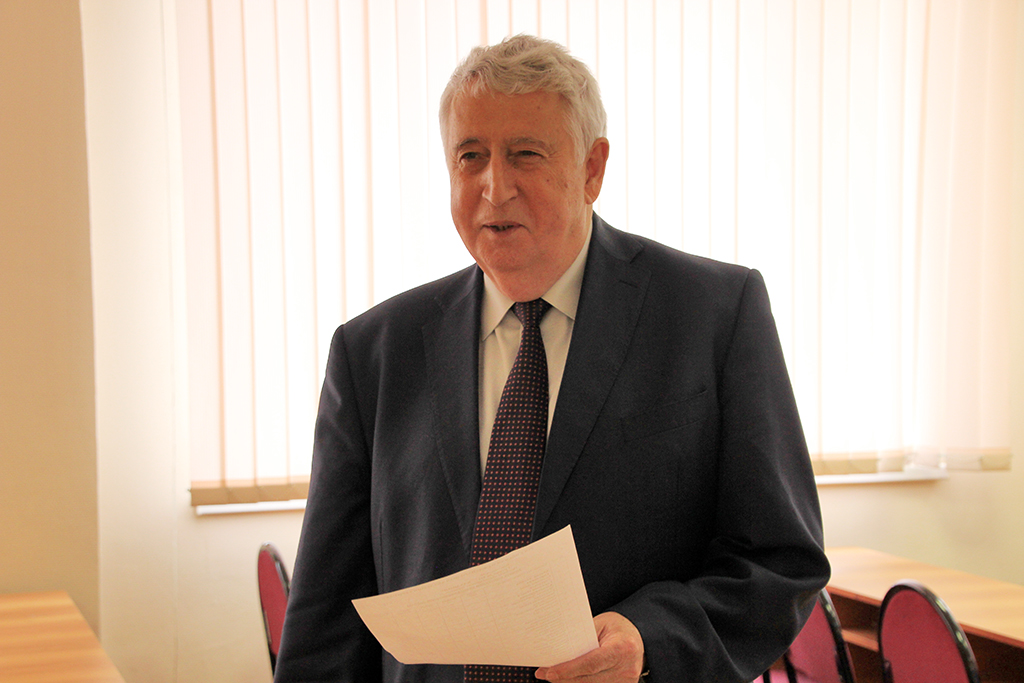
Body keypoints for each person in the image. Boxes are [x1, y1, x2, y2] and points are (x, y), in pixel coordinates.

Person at [274, 34, 830, 683]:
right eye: (471, 156)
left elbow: (780, 561)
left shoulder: (712, 315)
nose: (494, 187)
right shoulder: (374, 353)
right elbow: (325, 617)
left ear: (592, 169)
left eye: (525, 154)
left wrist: (651, 640)